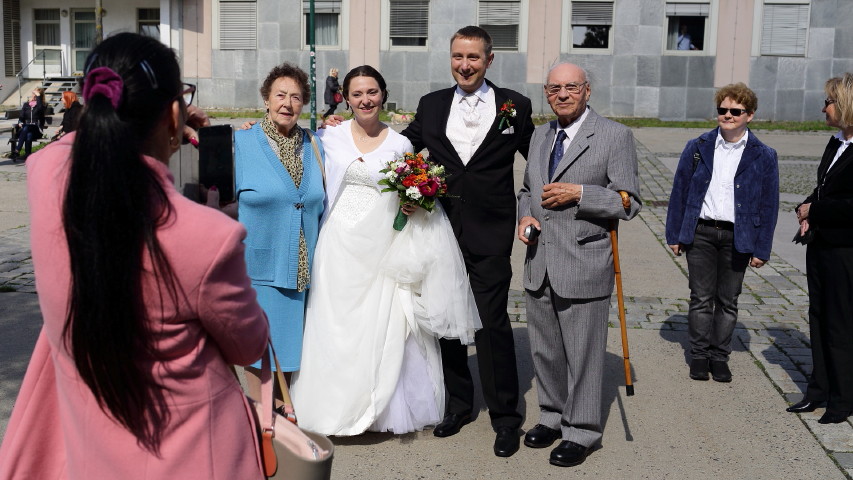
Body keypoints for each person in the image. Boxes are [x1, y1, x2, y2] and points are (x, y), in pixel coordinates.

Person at [0, 33, 269, 479]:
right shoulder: (208, 236)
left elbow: (68, 150)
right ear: (171, 112)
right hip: (193, 459)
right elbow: (249, 345)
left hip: (90, 455)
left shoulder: (47, 182)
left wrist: (161, 126)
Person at [290, 65, 480, 436]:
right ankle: (332, 405)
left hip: (382, 247)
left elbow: (408, 190)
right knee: (335, 325)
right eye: (357, 93)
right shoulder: (327, 138)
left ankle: (378, 408)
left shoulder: (401, 145)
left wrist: (414, 202)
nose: (365, 100)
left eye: (372, 92)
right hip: (339, 247)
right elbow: (291, 143)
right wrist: (251, 127)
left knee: (385, 327)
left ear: (383, 94)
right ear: (345, 99)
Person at [400, 26, 534, 457]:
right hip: (440, 227)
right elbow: (401, 147)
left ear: (489, 60)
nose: (465, 65)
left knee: (492, 322)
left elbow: (540, 156)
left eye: (473, 57)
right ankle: (457, 405)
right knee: (445, 319)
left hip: (491, 229)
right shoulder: (432, 104)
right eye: (458, 56)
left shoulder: (514, 106)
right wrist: (344, 134)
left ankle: (505, 418)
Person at [516, 62, 641, 468]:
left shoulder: (613, 136)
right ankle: (553, 416)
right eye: (554, 88)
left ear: (587, 90)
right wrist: (526, 216)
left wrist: (581, 193)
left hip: (584, 261)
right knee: (547, 351)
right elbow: (527, 189)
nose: (562, 95)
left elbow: (629, 201)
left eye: (571, 87)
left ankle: (582, 430)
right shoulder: (540, 135)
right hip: (541, 260)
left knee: (584, 354)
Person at [666, 83, 779, 383]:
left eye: (735, 111)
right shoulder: (698, 146)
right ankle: (700, 356)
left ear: (749, 115)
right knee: (701, 297)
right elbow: (680, 191)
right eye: (723, 110)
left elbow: (769, 205)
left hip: (738, 236)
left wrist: (762, 249)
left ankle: (720, 357)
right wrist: (674, 234)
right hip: (701, 231)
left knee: (728, 300)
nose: (727, 115)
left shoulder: (764, 155)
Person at [234, 62, 325, 403]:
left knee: (291, 354)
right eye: (280, 95)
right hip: (258, 269)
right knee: (258, 356)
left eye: (296, 97)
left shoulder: (316, 145)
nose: (287, 103)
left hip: (304, 268)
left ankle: (283, 426)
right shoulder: (242, 143)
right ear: (267, 100)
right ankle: (262, 426)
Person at [787, 73, 853, 424]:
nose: (823, 107)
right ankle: (818, 391)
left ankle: (843, 400)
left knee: (841, 324)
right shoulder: (836, 143)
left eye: (828, 101)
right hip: (821, 246)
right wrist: (806, 205)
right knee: (818, 318)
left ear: (844, 104)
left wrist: (817, 209)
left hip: (846, 250)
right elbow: (826, 189)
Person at [12, 88, 45, 162]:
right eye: (33, 93)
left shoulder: (42, 105)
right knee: (28, 133)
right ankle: (27, 155)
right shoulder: (26, 105)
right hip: (25, 129)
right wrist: (20, 122)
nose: (34, 95)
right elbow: (21, 116)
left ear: (40, 95)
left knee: (27, 128)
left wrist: (38, 96)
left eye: (36, 94)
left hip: (36, 129)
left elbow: (40, 109)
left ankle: (17, 150)